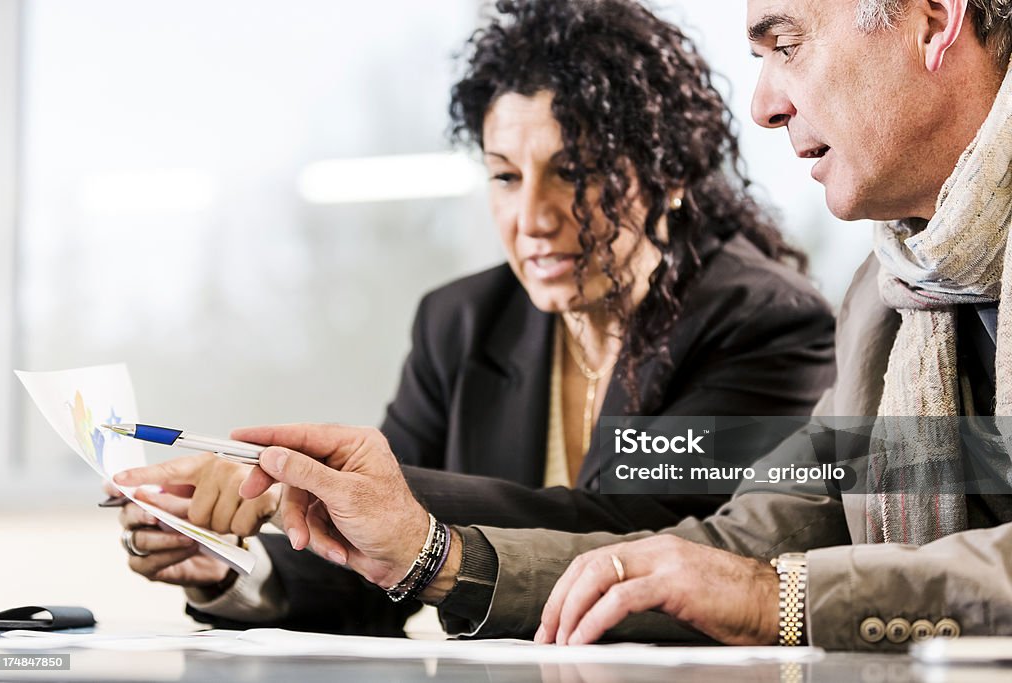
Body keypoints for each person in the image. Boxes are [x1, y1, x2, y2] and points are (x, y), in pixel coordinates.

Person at [220, 0, 1012, 651]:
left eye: (788, 44)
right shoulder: (888, 295)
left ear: (934, 18)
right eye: (503, 176)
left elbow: (708, 550)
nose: (766, 104)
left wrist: (779, 597)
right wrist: (429, 554)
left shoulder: (766, 315)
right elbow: (735, 545)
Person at [109, 0, 836, 634]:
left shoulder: (765, 321)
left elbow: (638, 529)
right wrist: (224, 566)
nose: (533, 218)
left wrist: (352, 491)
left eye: (575, 173)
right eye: (505, 176)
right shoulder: (458, 322)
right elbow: (378, 571)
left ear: (668, 172)